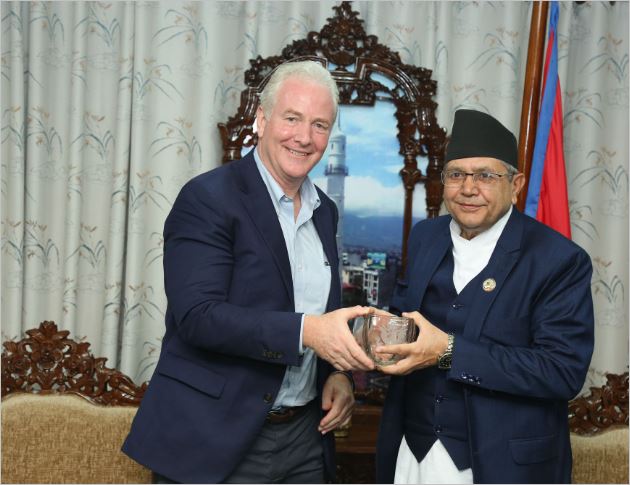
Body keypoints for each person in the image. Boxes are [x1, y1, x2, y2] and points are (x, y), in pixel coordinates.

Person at [122, 60, 375, 484]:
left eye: (319, 125)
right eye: (291, 118)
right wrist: (306, 332)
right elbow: (198, 316)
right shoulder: (208, 198)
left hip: (305, 438)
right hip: (216, 437)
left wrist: (338, 375)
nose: (304, 137)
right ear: (262, 118)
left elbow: (324, 313)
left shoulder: (324, 211)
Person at [375, 109, 594, 484]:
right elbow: (403, 316)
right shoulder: (426, 236)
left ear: (516, 184)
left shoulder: (558, 260)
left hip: (500, 466)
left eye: (485, 176)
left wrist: (447, 351)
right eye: (456, 174)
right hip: (413, 452)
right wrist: (375, 337)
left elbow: (562, 371)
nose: (468, 188)